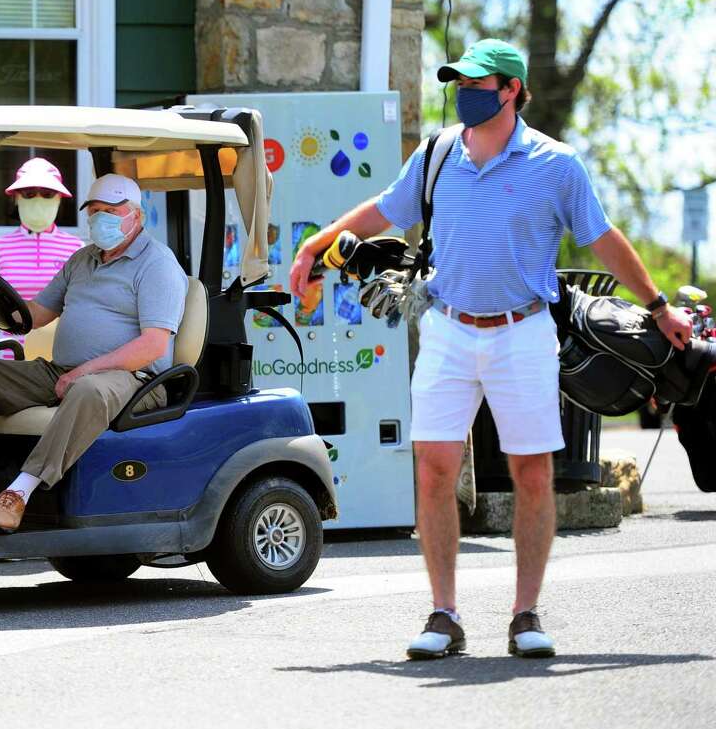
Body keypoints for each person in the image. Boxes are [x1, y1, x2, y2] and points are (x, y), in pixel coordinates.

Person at [288, 38, 691, 660]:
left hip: (523, 330)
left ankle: (525, 614)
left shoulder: (557, 164)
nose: (463, 92)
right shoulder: (438, 153)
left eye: (477, 83)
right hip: (447, 328)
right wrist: (319, 243)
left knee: (533, 473)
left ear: (510, 90)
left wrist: (658, 307)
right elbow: (385, 212)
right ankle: (444, 615)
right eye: (458, 82)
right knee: (433, 470)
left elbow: (602, 238)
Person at [0, 173, 187, 532]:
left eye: (110, 211)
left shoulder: (157, 264)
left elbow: (152, 346)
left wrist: (84, 371)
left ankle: (19, 492)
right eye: (94, 211)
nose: (99, 219)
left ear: (136, 216)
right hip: (63, 370)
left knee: (88, 389)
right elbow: (34, 315)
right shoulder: (82, 260)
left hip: (134, 379)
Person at [0, 157, 84, 356]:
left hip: (60, 363)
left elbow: (82, 314)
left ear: (59, 198)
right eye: (29, 194)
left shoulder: (77, 249)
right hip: (10, 362)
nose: (38, 199)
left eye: (47, 194)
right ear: (16, 197)